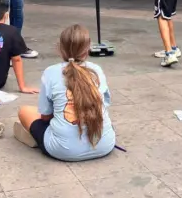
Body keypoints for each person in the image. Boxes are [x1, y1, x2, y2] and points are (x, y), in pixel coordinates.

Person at [13, 24, 115, 162]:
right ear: (88, 48)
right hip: (104, 144)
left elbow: (45, 117)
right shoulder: (96, 69)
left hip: (63, 150)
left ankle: (44, 137)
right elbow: (104, 105)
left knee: (24, 111)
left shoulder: (51, 72)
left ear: (60, 48)